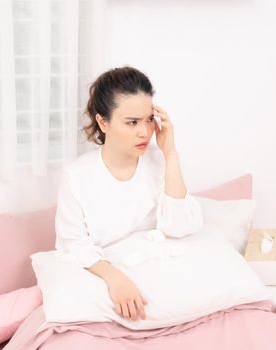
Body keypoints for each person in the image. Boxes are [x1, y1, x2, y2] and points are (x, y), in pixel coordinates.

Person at [54, 66, 204, 323]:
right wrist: (115, 278)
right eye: (132, 122)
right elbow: (72, 245)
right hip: (110, 279)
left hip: (162, 276)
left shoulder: (160, 162)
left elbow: (180, 227)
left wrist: (170, 154)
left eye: (148, 119)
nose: (144, 132)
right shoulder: (78, 177)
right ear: (103, 122)